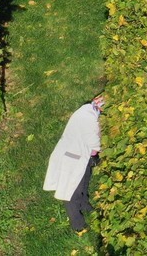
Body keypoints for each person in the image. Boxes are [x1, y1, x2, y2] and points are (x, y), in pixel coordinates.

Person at [44, 94, 103, 233]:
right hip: (72, 160)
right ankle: (78, 225)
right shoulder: (87, 118)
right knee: (71, 193)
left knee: (84, 182)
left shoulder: (88, 112)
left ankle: (84, 205)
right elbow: (93, 141)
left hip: (82, 157)